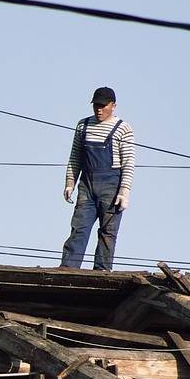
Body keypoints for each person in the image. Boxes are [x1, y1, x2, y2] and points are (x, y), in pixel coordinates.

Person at [60, 86, 136, 270]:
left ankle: (102, 272)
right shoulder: (83, 125)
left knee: (107, 232)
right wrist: (70, 182)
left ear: (113, 105)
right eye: (96, 105)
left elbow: (128, 162)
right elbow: (75, 157)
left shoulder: (123, 129)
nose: (99, 109)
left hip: (111, 188)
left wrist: (124, 192)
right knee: (79, 228)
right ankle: (69, 269)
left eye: (103, 105)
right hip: (86, 186)